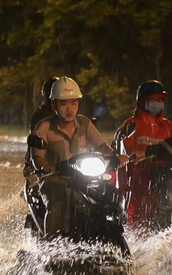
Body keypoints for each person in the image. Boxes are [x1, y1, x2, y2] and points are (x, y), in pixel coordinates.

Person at [31, 76, 128, 237]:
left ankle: (116, 235)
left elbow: (101, 146)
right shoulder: (43, 128)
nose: (69, 108)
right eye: (64, 103)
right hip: (55, 180)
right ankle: (52, 246)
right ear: (53, 104)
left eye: (73, 103)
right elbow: (37, 158)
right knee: (58, 205)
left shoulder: (85, 123)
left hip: (84, 178)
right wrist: (46, 166)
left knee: (112, 195)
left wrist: (116, 156)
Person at [112, 80, 172, 227]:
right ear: (142, 101)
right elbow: (122, 149)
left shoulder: (169, 126)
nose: (156, 103)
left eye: (160, 100)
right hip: (142, 178)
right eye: (152, 100)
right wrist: (136, 153)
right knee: (141, 215)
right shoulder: (131, 125)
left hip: (168, 176)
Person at [25, 76, 59, 177]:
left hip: (66, 157)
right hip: (44, 158)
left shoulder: (68, 114)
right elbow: (36, 140)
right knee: (36, 183)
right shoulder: (40, 115)